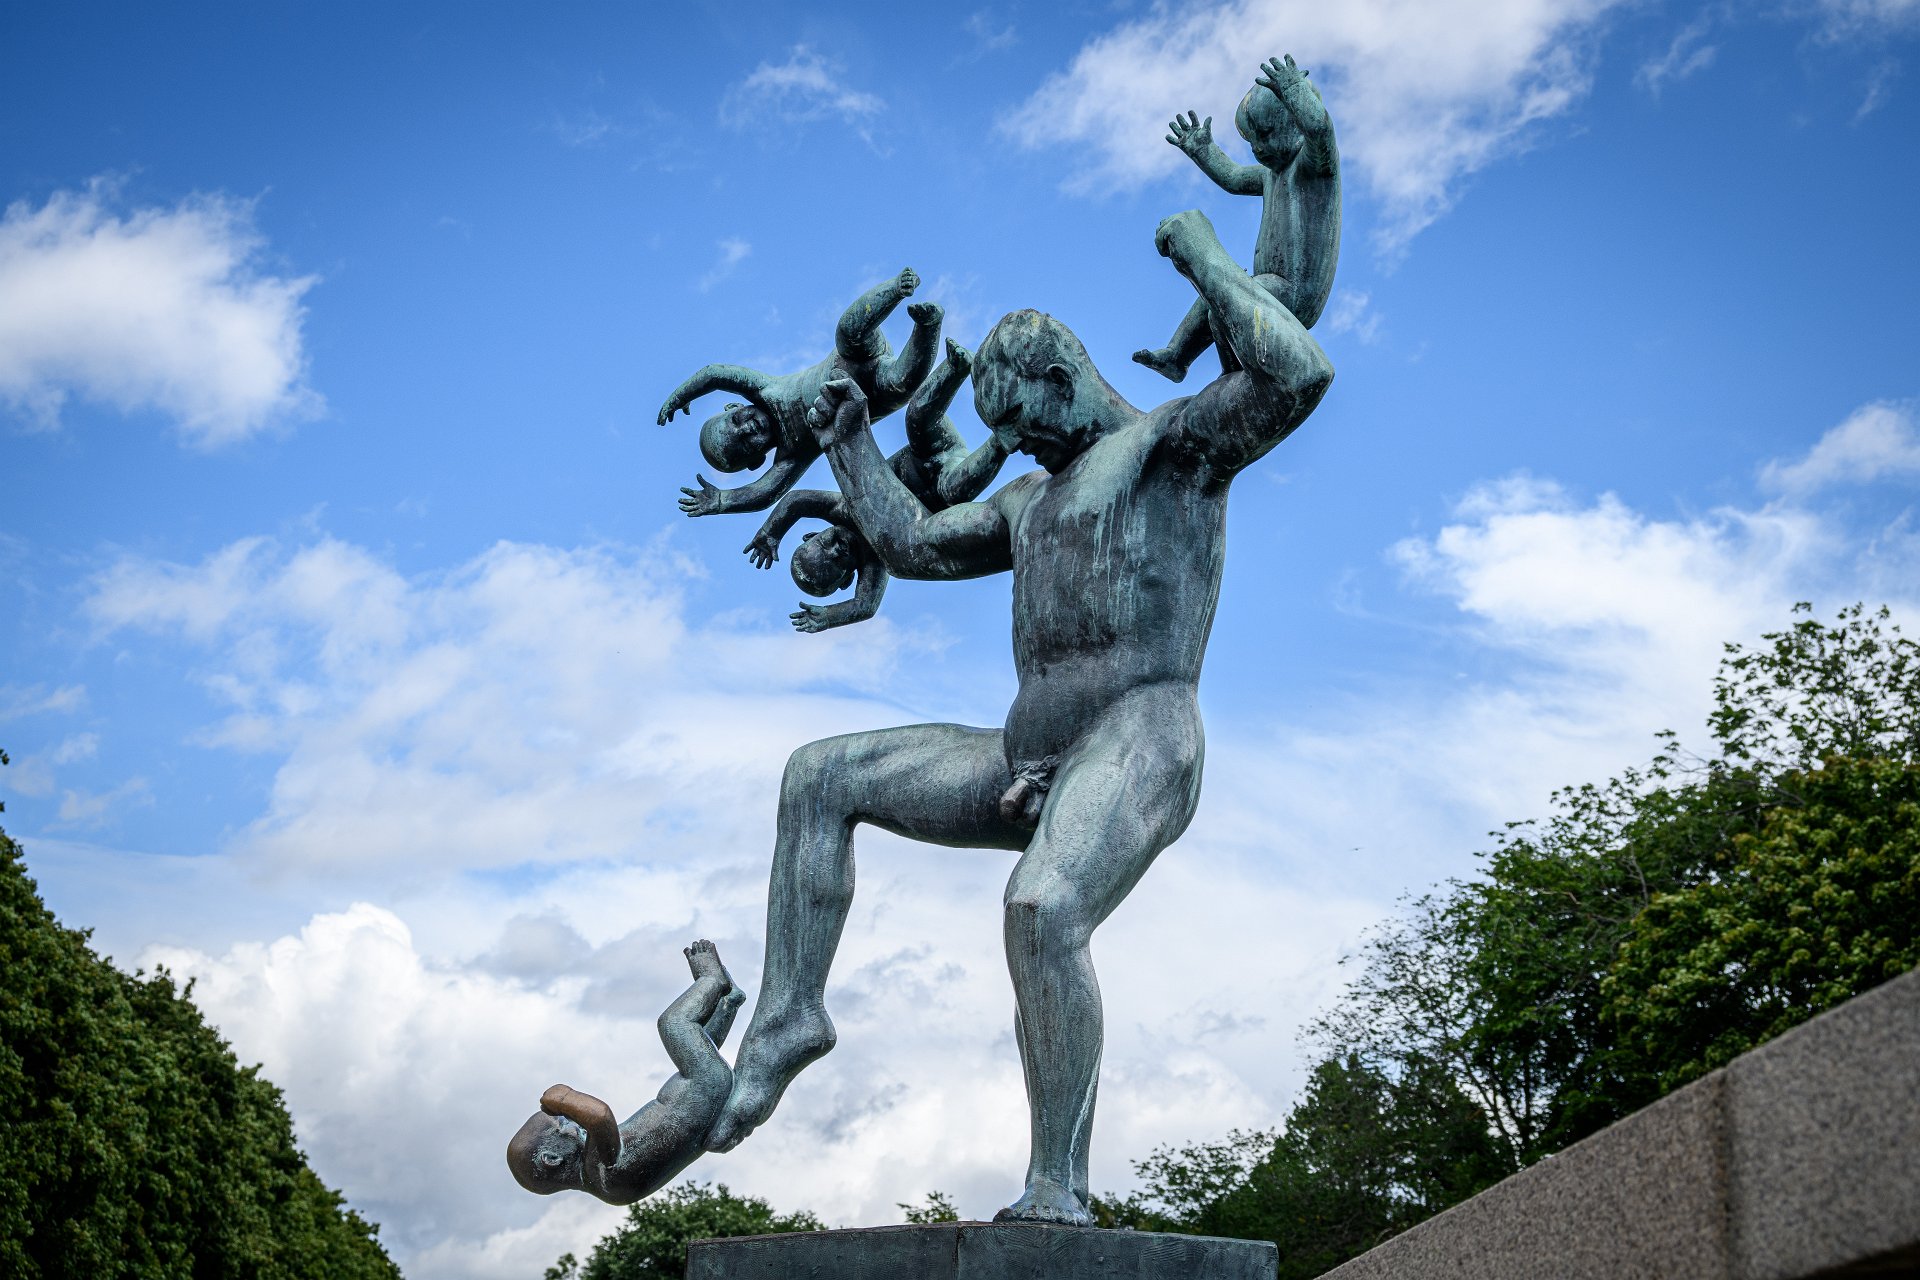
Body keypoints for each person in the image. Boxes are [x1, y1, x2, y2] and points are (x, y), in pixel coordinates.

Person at [701, 207, 1334, 1227]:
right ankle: (788, 1020)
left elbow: (1298, 375)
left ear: (1059, 378)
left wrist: (1203, 256)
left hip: (1139, 735)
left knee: (1041, 910)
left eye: (1028, 423)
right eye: (1009, 434)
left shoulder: (1174, 447)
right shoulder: (1027, 499)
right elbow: (912, 545)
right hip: (1020, 753)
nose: (1021, 445)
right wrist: (850, 441)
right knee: (819, 774)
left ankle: (1058, 1183)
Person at [741, 339, 1010, 632]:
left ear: (813, 533)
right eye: (837, 563)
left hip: (926, 452)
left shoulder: (839, 507)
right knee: (957, 489)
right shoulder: (877, 558)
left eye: (826, 543)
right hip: (947, 479)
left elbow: (796, 501)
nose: (836, 550)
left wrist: (770, 533)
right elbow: (865, 606)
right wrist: (830, 617)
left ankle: (955, 367)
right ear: (847, 579)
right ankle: (1004, 438)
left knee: (917, 417)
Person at [656, 269, 944, 516]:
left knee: (847, 331)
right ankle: (928, 326)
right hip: (875, 394)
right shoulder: (792, 455)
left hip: (851, 356)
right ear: (757, 461)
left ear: (734, 407)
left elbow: (716, 374)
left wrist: (683, 395)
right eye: (745, 443)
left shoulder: (765, 390)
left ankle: (897, 288)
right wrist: (722, 501)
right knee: (903, 384)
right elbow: (764, 494)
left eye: (736, 421)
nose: (747, 428)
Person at [1133, 55, 1340, 382]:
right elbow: (1232, 177)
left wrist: (1294, 91)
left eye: (1266, 134)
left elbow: (1320, 130)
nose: (1259, 148)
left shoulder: (1313, 169)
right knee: (1215, 288)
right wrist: (1203, 151)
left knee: (1227, 298)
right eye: (1252, 141)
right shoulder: (1271, 176)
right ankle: (1178, 356)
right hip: (1269, 283)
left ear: (1294, 123)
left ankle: (1236, 371)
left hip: (1296, 293)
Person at [506, 941, 744, 1205]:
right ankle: (712, 980)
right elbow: (600, 1117)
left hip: (703, 1102)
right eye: (562, 1125)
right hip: (704, 1091)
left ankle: (728, 1002)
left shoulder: (606, 1189)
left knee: (698, 1045)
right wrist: (563, 1099)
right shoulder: (598, 1173)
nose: (571, 1121)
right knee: (674, 1024)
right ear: (552, 1158)